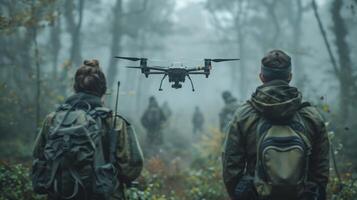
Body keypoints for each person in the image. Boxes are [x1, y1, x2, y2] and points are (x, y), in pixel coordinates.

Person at [222, 50, 329, 200]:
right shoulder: (311, 116)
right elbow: (321, 170)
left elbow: (231, 166)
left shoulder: (244, 115)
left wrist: (241, 195)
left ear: (262, 77)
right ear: (290, 77)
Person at [32, 59, 144, 200]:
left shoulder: (53, 120)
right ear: (103, 91)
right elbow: (131, 168)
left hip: (61, 195)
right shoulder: (114, 121)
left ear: (75, 88)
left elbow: (39, 157)